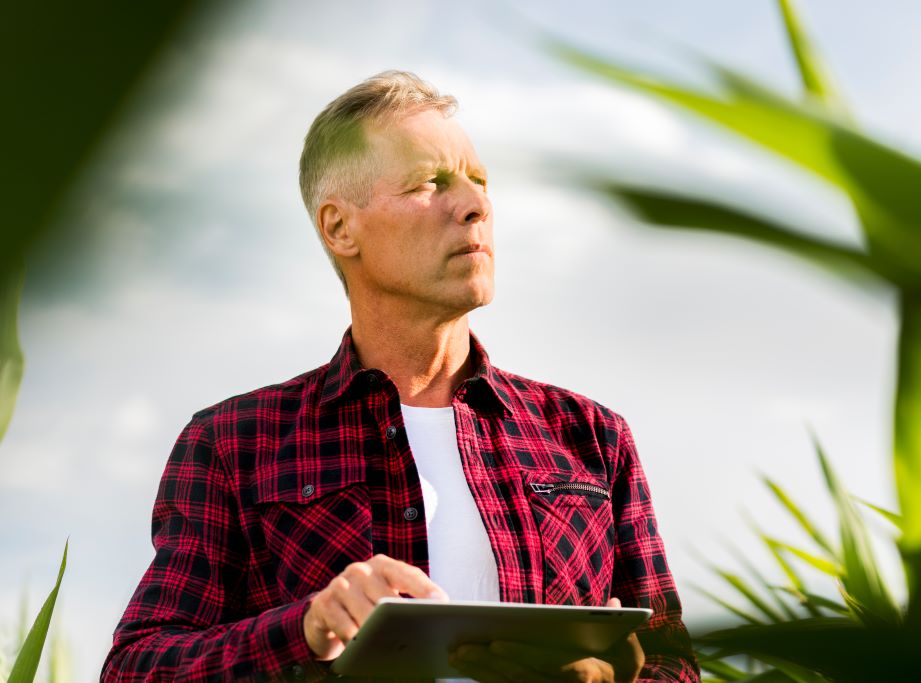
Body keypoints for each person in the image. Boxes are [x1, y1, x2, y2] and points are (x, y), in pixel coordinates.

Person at [101, 70, 700, 682]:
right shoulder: (232, 444)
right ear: (340, 228)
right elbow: (134, 669)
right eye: (429, 183)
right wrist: (307, 628)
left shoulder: (593, 436)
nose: (475, 205)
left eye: (480, 182)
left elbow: (673, 662)